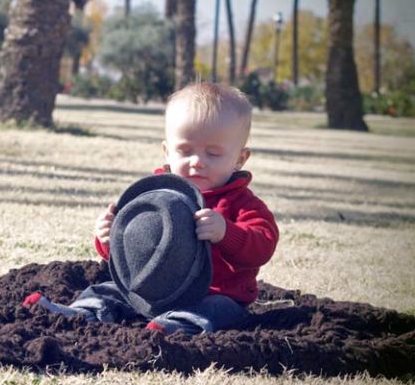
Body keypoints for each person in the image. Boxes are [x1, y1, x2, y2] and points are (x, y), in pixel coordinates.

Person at [24, 82, 279, 334]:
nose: (197, 162)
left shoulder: (243, 204)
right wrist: (110, 238)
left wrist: (227, 232)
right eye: (184, 150)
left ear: (240, 159)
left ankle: (177, 327)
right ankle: (82, 313)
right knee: (107, 290)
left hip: (216, 294)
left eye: (213, 154)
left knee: (218, 309)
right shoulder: (155, 197)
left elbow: (263, 246)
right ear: (167, 152)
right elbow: (135, 251)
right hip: (151, 293)